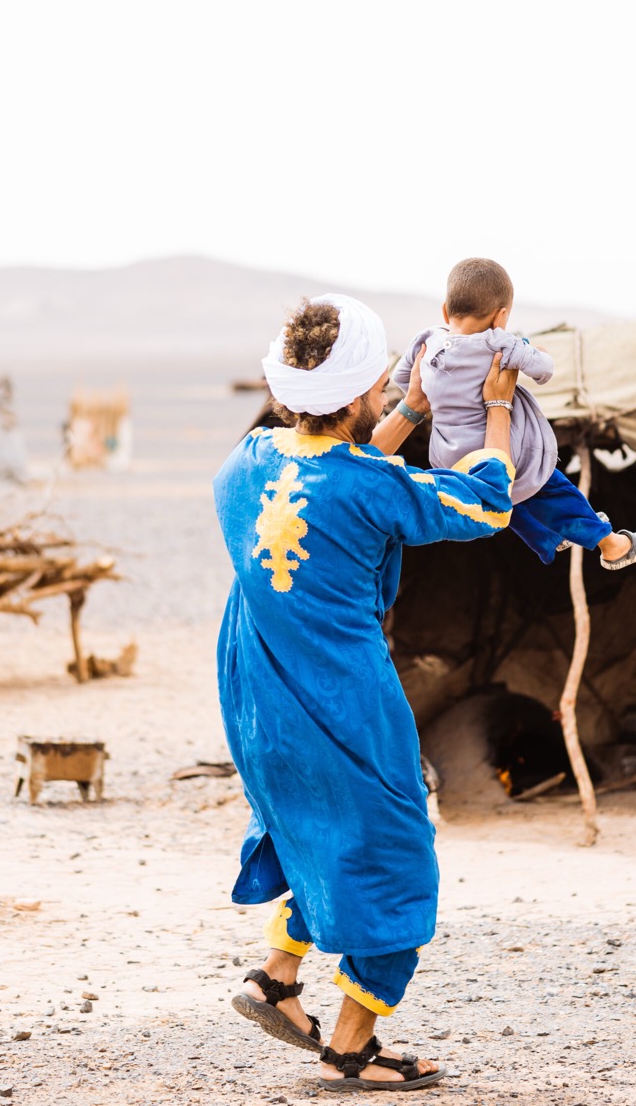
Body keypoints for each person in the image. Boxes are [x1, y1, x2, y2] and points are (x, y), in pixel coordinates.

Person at [213, 293, 518, 1092]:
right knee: (393, 857)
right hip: (343, 700)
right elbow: (486, 504)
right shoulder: (373, 485)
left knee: (315, 828)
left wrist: (409, 409)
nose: (387, 393)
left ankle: (275, 979)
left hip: (257, 698)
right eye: (380, 385)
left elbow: (332, 476)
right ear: (354, 395)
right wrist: (496, 412)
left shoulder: (243, 466)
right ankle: (352, 1046)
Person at [393, 258, 636, 569]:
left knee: (504, 499)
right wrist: (534, 350)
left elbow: (403, 379)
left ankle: (547, 539)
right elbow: (544, 371)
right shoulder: (498, 343)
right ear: (501, 317)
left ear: (445, 311)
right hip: (502, 451)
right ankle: (611, 545)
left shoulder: (426, 340)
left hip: (448, 458)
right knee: (552, 490)